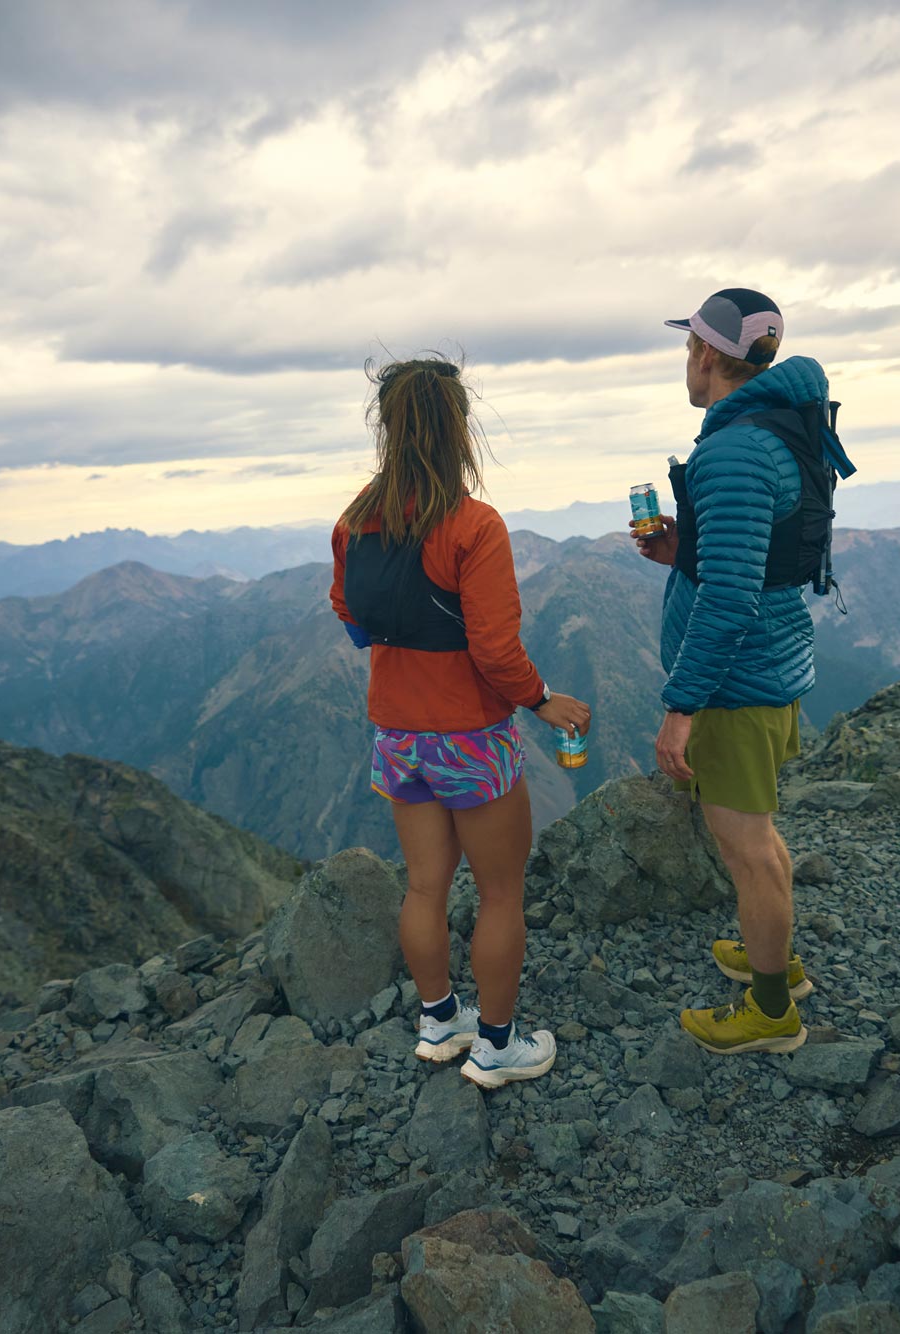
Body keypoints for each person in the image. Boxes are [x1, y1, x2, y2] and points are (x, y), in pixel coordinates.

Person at [330, 354, 592, 1090]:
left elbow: (347, 608)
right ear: (458, 430)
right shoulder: (473, 525)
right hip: (470, 737)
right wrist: (542, 701)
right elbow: (495, 649)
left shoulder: (356, 521)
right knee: (502, 893)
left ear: (387, 429)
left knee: (423, 887)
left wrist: (398, 652)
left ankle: (440, 1025)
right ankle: (499, 1047)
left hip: (397, 734)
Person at [635, 287, 848, 1056]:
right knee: (759, 837)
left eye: (687, 347)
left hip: (736, 681)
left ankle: (769, 1013)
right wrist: (682, 548)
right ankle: (776, 962)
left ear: (705, 353)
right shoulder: (782, 428)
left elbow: (727, 601)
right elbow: (759, 556)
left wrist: (680, 706)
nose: (684, 363)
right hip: (777, 658)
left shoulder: (731, 450)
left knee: (746, 846)